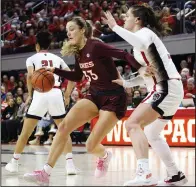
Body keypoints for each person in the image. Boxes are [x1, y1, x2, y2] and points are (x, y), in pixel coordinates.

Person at [22, 16, 152, 185]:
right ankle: (46, 173)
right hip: (95, 94)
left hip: (114, 98)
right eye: (67, 30)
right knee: (63, 127)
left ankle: (104, 156)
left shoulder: (95, 45)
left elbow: (123, 54)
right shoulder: (78, 51)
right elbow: (77, 76)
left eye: (72, 29)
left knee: (91, 146)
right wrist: (55, 70)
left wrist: (141, 68)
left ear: (82, 30)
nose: (68, 33)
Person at [103, 5, 188, 186]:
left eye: (127, 16)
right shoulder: (140, 44)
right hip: (166, 87)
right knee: (151, 132)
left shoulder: (145, 34)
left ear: (138, 20)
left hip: (166, 87)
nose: (124, 19)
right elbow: (146, 76)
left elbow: (139, 43)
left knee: (132, 123)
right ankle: (176, 174)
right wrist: (126, 83)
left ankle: (145, 174)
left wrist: (114, 27)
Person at [5, 31, 78, 175]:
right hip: (56, 93)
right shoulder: (57, 58)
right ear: (49, 44)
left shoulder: (31, 58)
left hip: (40, 94)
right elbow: (72, 76)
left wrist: (30, 95)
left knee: (25, 132)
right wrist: (68, 95)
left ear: (37, 45)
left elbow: (31, 76)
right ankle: (70, 165)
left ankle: (14, 162)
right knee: (64, 131)